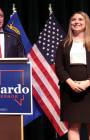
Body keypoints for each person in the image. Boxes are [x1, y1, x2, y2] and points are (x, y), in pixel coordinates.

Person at [55, 11, 90, 140]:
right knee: (73, 126)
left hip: (89, 88)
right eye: (73, 19)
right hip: (70, 90)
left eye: (80, 19)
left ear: (86, 23)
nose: (76, 22)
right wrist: (71, 84)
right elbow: (59, 67)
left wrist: (87, 83)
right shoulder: (63, 44)